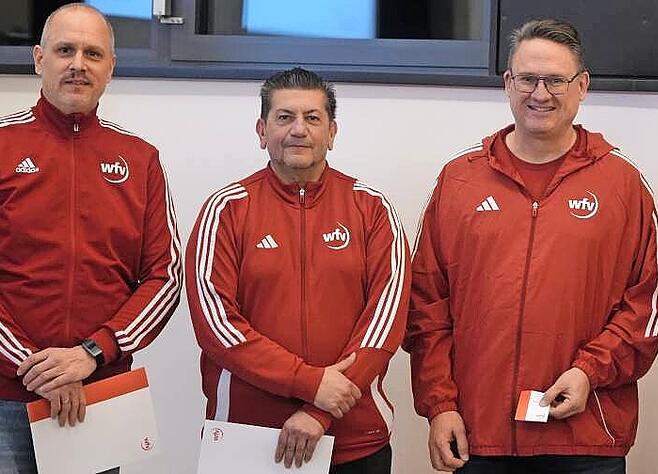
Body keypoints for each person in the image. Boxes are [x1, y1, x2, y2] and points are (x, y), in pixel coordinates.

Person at [404, 18, 658, 473]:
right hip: (478, 432)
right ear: (508, 84)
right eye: (527, 79)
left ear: (582, 86)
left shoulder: (622, 183)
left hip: (585, 435)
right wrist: (440, 404)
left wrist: (590, 371)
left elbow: (650, 302)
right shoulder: (460, 180)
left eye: (556, 80)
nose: (540, 93)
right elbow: (426, 305)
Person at [186, 67, 411, 474]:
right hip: (247, 437)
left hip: (353, 441)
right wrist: (308, 383)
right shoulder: (226, 209)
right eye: (284, 117)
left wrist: (320, 410)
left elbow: (385, 322)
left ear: (332, 132)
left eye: (312, 118)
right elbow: (217, 327)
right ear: (262, 129)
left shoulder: (372, 208)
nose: (298, 130)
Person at [0, 4, 181, 473]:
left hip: (99, 393)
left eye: (92, 53)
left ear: (111, 67)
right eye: (65, 50)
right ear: (39, 59)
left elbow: (164, 278)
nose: (78, 64)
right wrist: (37, 368)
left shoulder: (140, 159)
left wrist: (91, 353)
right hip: (4, 398)